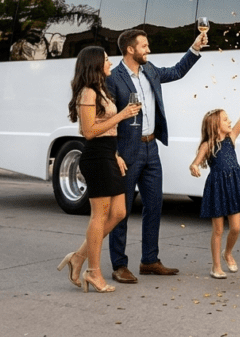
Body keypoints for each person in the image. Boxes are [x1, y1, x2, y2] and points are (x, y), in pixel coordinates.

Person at [107, 28, 206, 284]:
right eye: (144, 46)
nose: (148, 50)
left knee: (154, 206)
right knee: (121, 210)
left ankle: (149, 260)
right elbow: (106, 119)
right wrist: (114, 152)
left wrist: (195, 48)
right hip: (126, 151)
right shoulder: (114, 78)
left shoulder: (149, 70)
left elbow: (176, 71)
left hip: (151, 148)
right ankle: (119, 265)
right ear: (130, 49)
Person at [57, 46, 141, 293]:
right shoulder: (88, 92)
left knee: (119, 212)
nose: (110, 62)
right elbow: (89, 131)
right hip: (96, 157)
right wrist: (122, 115)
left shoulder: (101, 90)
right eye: (106, 59)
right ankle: (93, 272)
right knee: (100, 216)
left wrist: (115, 155)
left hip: (108, 154)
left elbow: (106, 130)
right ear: (95, 64)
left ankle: (78, 257)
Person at [189, 80, 240, 279]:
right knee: (218, 230)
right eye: (225, 119)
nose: (230, 121)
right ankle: (216, 266)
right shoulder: (207, 145)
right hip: (217, 186)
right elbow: (195, 162)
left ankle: (228, 253)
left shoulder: (231, 137)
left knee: (236, 228)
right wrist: (194, 167)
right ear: (216, 125)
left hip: (233, 184)